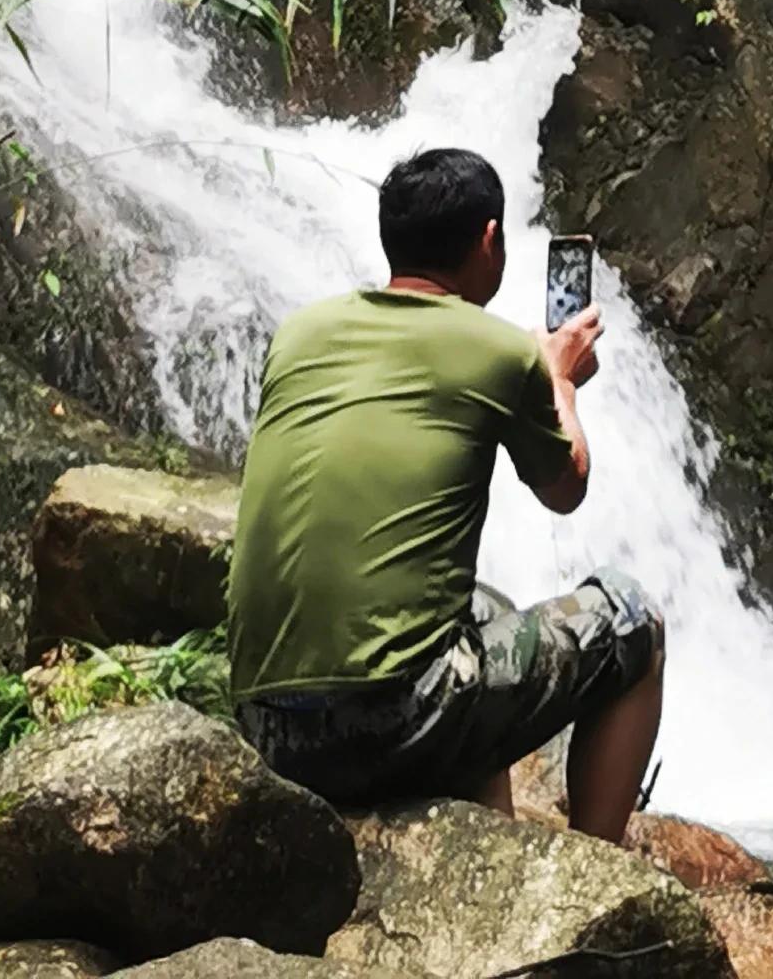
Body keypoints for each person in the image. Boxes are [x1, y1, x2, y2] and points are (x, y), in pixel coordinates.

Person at [227, 144, 665, 837]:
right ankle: (594, 878)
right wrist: (558, 378)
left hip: (267, 726)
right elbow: (566, 486)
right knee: (633, 618)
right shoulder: (500, 351)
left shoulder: (301, 333)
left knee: (478, 612)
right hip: (391, 721)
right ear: (489, 240)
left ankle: (487, 844)